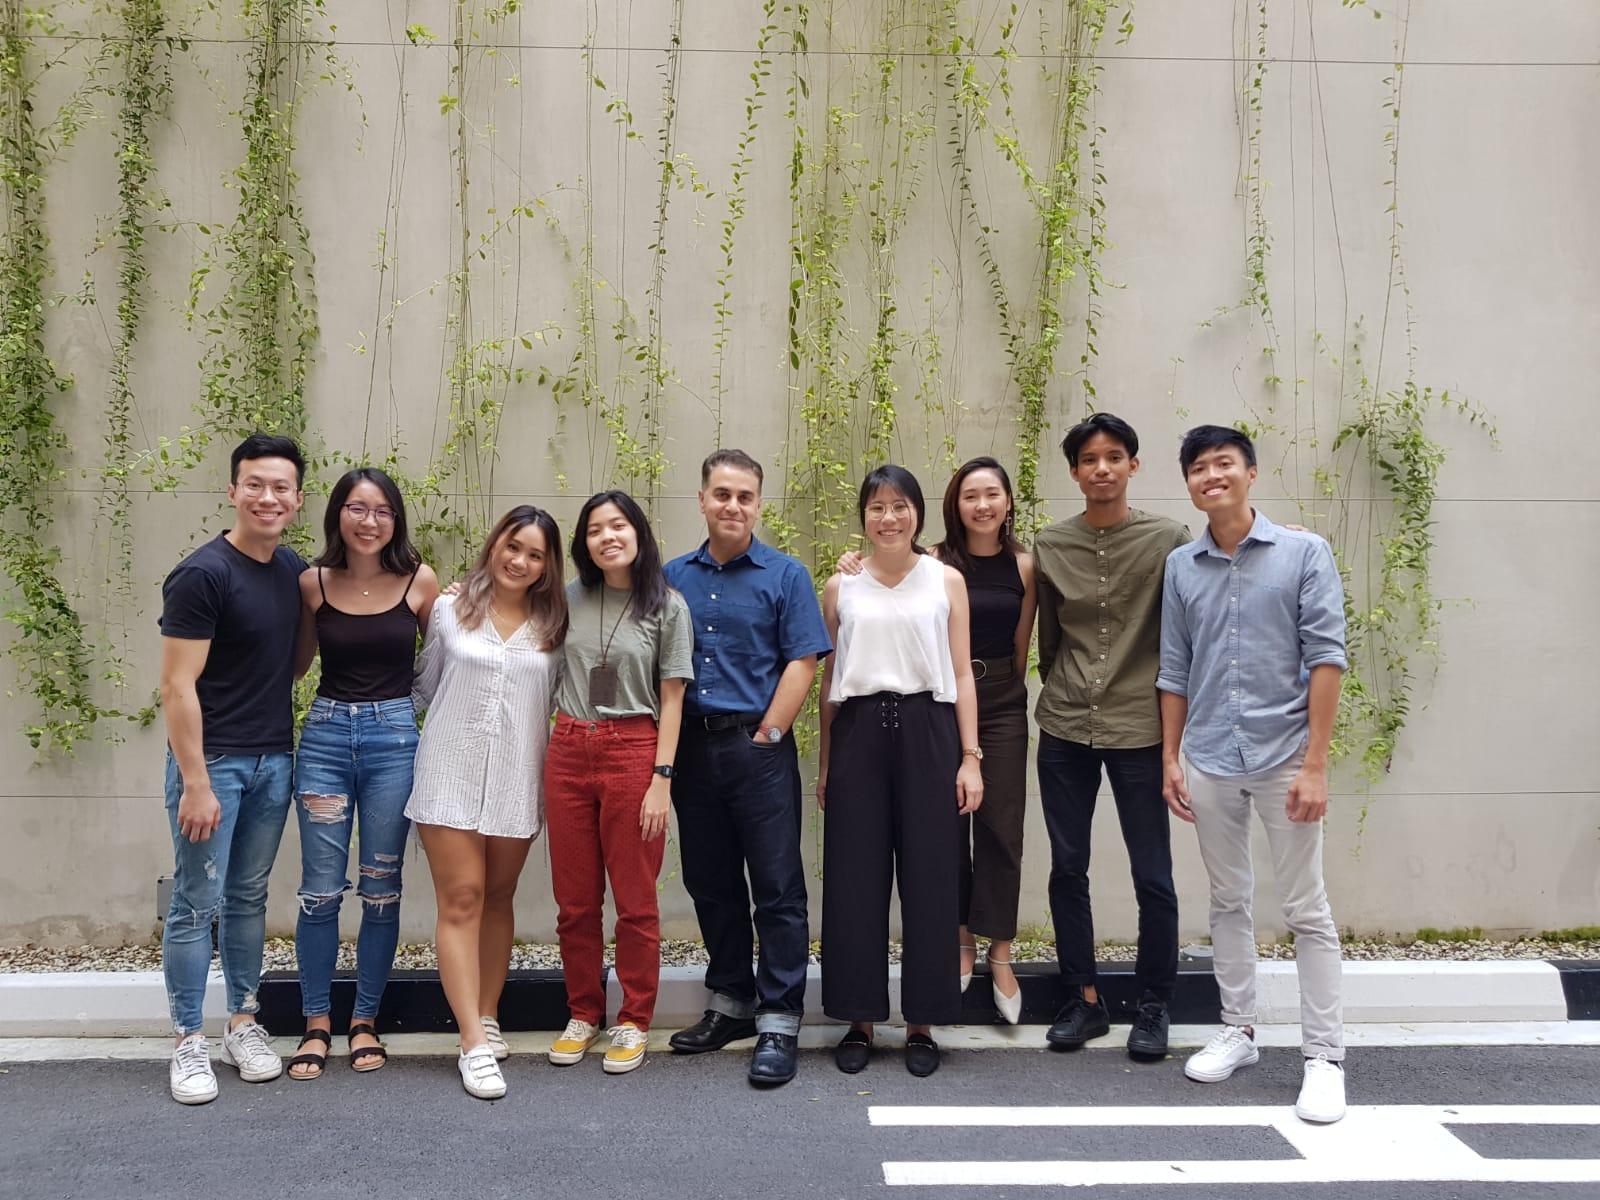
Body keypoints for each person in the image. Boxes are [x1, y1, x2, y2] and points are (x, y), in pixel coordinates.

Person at [1157, 423, 1349, 1124]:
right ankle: (1238, 1030)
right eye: (1200, 468)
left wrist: (1315, 764)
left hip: (1285, 759)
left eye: (1224, 464)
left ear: (1250, 473)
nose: (1213, 476)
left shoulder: (1304, 552)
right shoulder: (1182, 566)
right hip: (1208, 757)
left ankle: (1325, 1057)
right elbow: (1173, 667)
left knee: (1306, 910)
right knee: (1228, 900)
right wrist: (1169, 756)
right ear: (1189, 484)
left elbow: (1327, 656)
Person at [839, 457, 1036, 1023]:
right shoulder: (934, 560)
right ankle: (958, 945)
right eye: (970, 495)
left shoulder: (1023, 564)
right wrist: (855, 562)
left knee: (1000, 827)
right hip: (934, 703)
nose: (981, 505)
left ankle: (996, 952)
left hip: (984, 697)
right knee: (936, 842)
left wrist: (972, 746)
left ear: (1006, 502)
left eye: (992, 494)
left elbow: (1022, 645)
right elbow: (842, 654)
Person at [664, 450, 832, 1086]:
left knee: (777, 886)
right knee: (711, 884)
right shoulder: (671, 575)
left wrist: (770, 732)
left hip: (756, 750)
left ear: (759, 505)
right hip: (692, 752)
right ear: (702, 499)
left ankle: (780, 1020)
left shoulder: (785, 575)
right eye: (722, 494)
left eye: (745, 496)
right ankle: (730, 1003)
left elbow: (803, 660)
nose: (733, 506)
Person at [818, 465, 984, 1078]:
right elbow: (831, 682)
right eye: (877, 507)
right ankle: (859, 1019)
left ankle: (922, 1020)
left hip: (930, 729)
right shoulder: (841, 587)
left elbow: (962, 672)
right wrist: (828, 764)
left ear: (918, 512)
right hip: (860, 729)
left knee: (933, 876)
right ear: (863, 516)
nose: (889, 517)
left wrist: (971, 757)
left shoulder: (946, 580)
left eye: (900, 506)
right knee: (854, 877)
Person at [158, 433, 309, 1105]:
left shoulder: (292, 571)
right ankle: (188, 1038)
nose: (267, 497)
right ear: (233, 491)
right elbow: (177, 685)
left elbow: (294, 662)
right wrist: (194, 780)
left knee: (248, 899)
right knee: (197, 902)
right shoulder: (202, 574)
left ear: (297, 501)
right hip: (212, 764)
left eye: (281, 487)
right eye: (255, 484)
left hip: (274, 759)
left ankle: (243, 1022)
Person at [1034, 413, 1188, 1061]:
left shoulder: (1168, 540)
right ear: (1074, 471)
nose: (1102, 467)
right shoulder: (1050, 545)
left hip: (1140, 728)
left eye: (1114, 456)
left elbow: (1191, 619)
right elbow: (1047, 639)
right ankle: (1084, 1000)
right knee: (1068, 868)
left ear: (1133, 465)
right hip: (1065, 723)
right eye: (1089, 459)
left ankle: (1153, 1006)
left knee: (1152, 872)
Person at [406, 506, 567, 1100]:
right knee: (463, 897)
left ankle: (489, 1015)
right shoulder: (448, 609)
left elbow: (555, 700)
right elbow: (425, 687)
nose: (519, 561)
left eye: (534, 554)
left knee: (499, 896)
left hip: (518, 775)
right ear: (494, 544)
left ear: (546, 566)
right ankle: (471, 1042)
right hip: (448, 771)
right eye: (512, 546)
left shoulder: (555, 626)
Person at [285, 468, 440, 1081]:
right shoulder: (312, 583)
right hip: (324, 738)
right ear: (337, 516)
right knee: (320, 889)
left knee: (381, 888)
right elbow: (294, 664)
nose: (368, 520)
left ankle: (365, 1021)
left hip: (394, 742)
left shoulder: (420, 581)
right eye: (356, 508)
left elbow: (445, 663)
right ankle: (317, 1022)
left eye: (381, 510)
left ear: (395, 519)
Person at [543, 490, 695, 1076]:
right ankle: (583, 1012)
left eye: (618, 526)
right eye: (595, 529)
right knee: (574, 901)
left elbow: (673, 697)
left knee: (635, 900)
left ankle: (633, 1019)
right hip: (568, 747)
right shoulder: (564, 598)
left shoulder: (667, 606)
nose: (607, 537)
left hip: (634, 750)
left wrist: (662, 777)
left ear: (638, 533)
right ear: (583, 542)